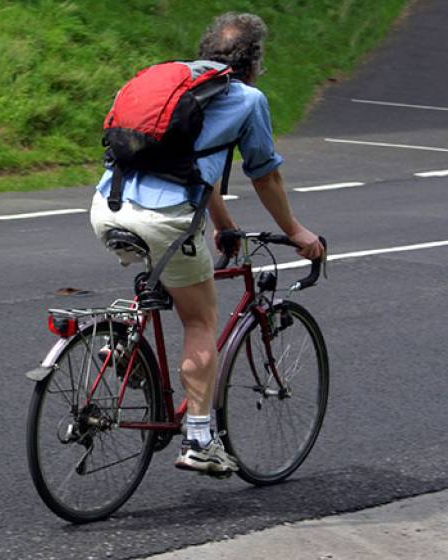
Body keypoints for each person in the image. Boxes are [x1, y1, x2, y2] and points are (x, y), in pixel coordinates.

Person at [89, 12, 324, 475]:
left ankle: (124, 340)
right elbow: (266, 175)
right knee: (200, 320)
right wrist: (296, 232)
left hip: (106, 206)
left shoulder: (173, 84)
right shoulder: (246, 98)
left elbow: (199, 167)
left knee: (161, 269)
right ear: (255, 62)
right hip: (167, 218)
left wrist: (223, 224)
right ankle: (199, 438)